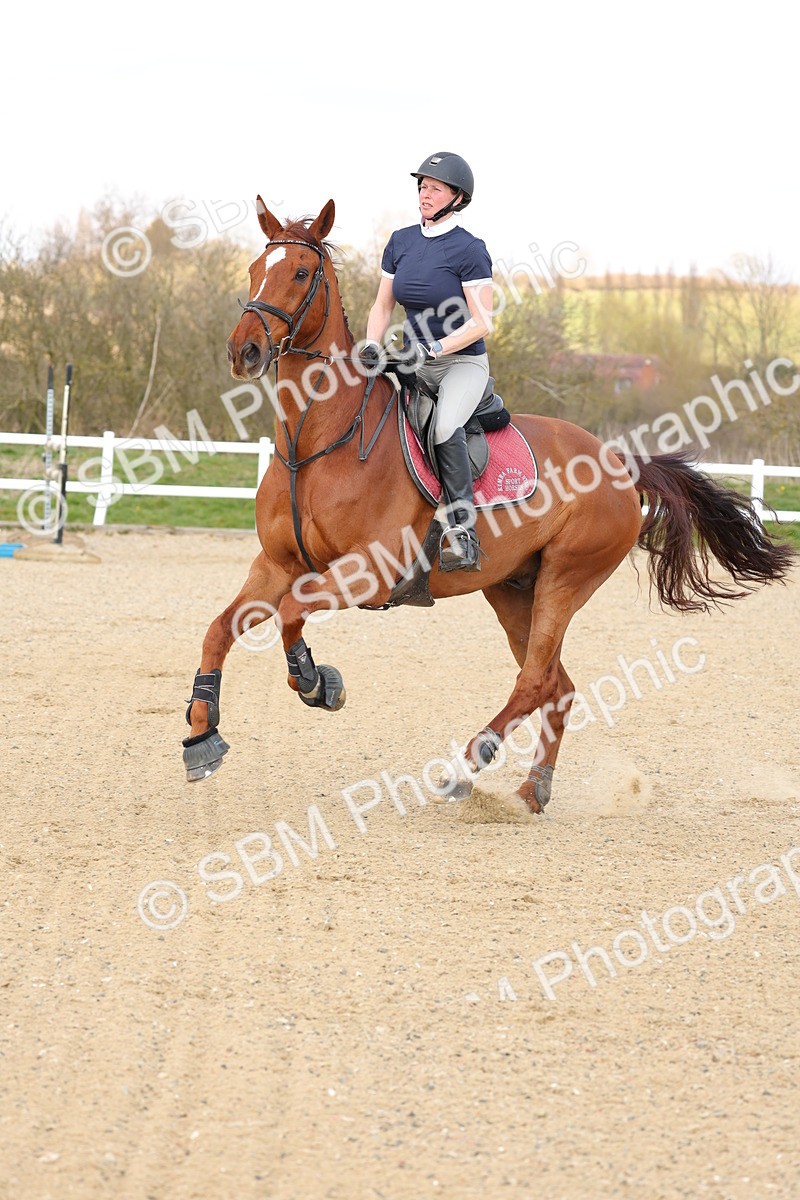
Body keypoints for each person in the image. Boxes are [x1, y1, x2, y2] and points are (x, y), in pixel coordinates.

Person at [364, 151, 494, 572]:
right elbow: (383, 306)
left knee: (442, 427)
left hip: (460, 364)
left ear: (457, 197)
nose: (425, 193)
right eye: (422, 185)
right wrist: (371, 345)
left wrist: (434, 349)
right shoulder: (400, 241)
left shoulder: (470, 250)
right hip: (410, 360)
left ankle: (463, 533)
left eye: (435, 187)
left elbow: (482, 322)